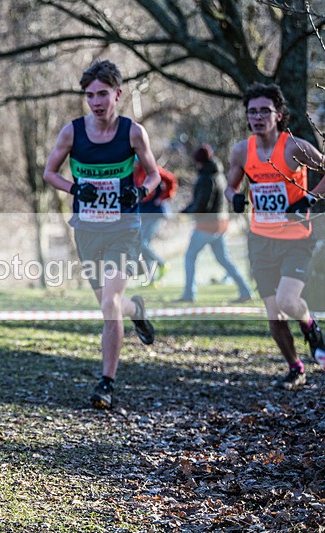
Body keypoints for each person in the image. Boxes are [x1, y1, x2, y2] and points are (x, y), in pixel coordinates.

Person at [43, 59, 158, 410]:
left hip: (124, 228)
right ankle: (135, 307)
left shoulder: (133, 132)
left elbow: (154, 175)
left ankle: (106, 382)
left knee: (109, 305)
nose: (96, 102)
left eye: (103, 94)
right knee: (111, 305)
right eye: (90, 95)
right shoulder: (72, 132)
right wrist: (75, 189)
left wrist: (140, 192)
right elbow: (49, 173)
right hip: (88, 230)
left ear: (117, 94)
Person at [225, 83, 325, 390]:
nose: (257, 117)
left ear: (278, 114)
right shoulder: (242, 151)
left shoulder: (296, 147)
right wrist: (235, 197)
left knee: (287, 300)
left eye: (264, 111)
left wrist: (309, 199)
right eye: (252, 111)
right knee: (273, 313)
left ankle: (310, 326)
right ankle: (296, 368)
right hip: (261, 239)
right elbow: (231, 186)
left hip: (296, 238)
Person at [179, 144, 253, 303]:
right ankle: (246, 290)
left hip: (207, 225)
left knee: (189, 256)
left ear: (199, 161)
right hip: (221, 223)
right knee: (224, 259)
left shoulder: (206, 178)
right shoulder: (218, 174)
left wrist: (186, 211)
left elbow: (202, 204)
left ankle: (189, 294)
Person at [134, 158, 177, 284]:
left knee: (143, 243)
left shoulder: (151, 169)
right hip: (144, 212)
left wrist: (164, 197)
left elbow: (171, 180)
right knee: (142, 244)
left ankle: (162, 263)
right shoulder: (132, 174)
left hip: (156, 212)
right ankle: (152, 280)